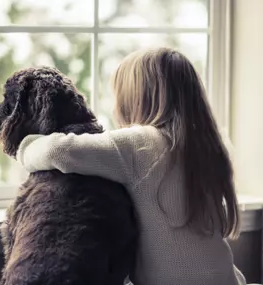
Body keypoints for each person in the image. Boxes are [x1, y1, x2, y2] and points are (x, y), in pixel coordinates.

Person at [17, 48, 246, 285]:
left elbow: (58, 151)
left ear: (135, 99)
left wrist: (24, 146)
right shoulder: (210, 145)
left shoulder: (141, 144)